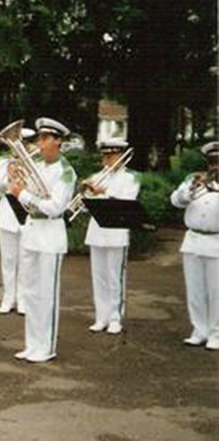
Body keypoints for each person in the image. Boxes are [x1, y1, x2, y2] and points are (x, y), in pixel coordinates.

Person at [8, 118, 76, 363]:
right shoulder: (35, 164)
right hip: (32, 231)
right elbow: (25, 199)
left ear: (58, 141)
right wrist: (17, 183)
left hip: (51, 234)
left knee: (47, 294)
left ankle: (46, 347)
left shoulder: (66, 171)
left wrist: (24, 193)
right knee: (31, 292)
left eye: (45, 138)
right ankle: (31, 344)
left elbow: (56, 206)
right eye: (40, 138)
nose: (40, 143)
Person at [84, 139, 140, 335]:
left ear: (122, 157)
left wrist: (104, 191)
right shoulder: (96, 176)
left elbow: (128, 201)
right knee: (98, 277)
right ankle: (101, 317)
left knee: (115, 277)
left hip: (117, 233)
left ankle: (115, 317)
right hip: (97, 232)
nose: (107, 160)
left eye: (111, 156)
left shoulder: (130, 178)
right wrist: (87, 192)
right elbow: (85, 205)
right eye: (105, 156)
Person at [170, 141, 219, 350]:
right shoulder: (194, 179)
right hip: (193, 241)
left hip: (216, 241)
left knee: (216, 291)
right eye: (212, 161)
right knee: (195, 290)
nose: (215, 166)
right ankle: (199, 330)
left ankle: (217, 333)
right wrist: (191, 189)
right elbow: (176, 200)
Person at [0, 128, 36, 315]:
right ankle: (8, 298)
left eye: (22, 144)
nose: (18, 148)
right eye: (15, 144)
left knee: (25, 260)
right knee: (8, 261)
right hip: (7, 216)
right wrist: (8, 178)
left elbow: (38, 190)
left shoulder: (35, 163)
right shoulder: (2, 163)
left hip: (27, 215)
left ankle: (23, 299)